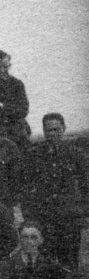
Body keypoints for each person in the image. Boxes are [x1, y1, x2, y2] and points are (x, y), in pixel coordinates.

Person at [21, 113, 88, 269]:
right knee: (45, 262)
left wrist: (83, 213)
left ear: (63, 129)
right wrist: (30, 218)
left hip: (69, 219)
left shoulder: (75, 154)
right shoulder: (34, 155)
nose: (52, 134)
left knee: (70, 262)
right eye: (48, 130)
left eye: (56, 129)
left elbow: (86, 186)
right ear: (44, 131)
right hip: (44, 219)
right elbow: (25, 189)